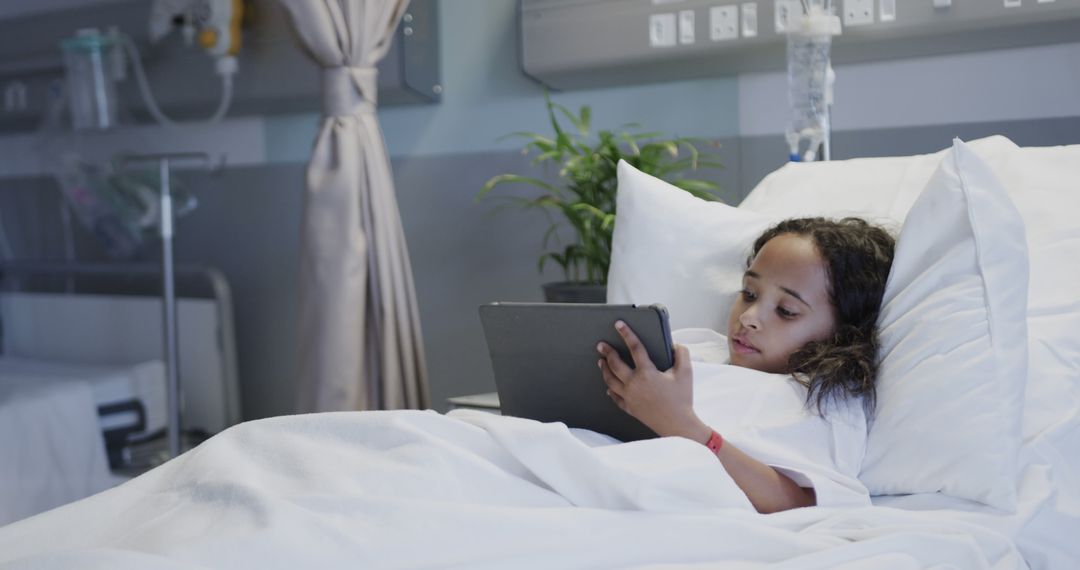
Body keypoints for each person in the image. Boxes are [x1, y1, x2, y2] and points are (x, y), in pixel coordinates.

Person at [596, 217, 895, 514]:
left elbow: (802, 503)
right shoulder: (696, 346)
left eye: (786, 311)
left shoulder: (826, 398)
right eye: (749, 294)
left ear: (841, 332)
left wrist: (682, 425)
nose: (749, 316)